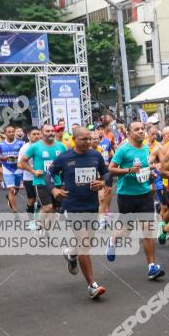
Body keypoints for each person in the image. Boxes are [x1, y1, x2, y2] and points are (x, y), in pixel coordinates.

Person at [47, 127, 109, 299]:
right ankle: (91, 285)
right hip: (72, 205)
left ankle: (71, 254)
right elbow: (48, 173)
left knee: (87, 244)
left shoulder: (96, 156)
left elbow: (106, 173)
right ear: (74, 139)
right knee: (84, 244)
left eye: (90, 139)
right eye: (84, 139)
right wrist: (53, 190)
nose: (88, 142)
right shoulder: (65, 157)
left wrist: (102, 182)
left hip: (91, 205)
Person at [108, 121, 164, 280]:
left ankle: (152, 267)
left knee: (148, 231)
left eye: (142, 129)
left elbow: (144, 169)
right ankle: (112, 241)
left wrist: (150, 175)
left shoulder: (146, 148)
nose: (141, 131)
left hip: (145, 194)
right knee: (127, 229)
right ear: (128, 133)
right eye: (136, 129)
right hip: (126, 195)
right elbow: (111, 170)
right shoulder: (123, 150)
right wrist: (128, 170)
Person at [19, 125, 66, 218]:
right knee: (47, 207)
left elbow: (66, 161)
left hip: (57, 181)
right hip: (41, 181)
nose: (50, 133)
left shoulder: (61, 146)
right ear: (42, 133)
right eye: (47, 131)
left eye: (52, 131)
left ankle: (45, 230)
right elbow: (22, 161)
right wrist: (33, 171)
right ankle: (39, 227)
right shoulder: (35, 146)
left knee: (54, 209)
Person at [0, 125, 25, 212]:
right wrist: (5, 158)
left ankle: (9, 197)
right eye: (9, 132)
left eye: (13, 131)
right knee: (11, 190)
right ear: (5, 133)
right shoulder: (0, 145)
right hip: (7, 168)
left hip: (18, 168)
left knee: (16, 189)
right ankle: (15, 211)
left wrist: (18, 157)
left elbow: (25, 155)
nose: (11, 133)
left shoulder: (21, 143)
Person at [18, 128, 41, 226]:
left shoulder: (43, 146)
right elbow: (19, 165)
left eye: (38, 134)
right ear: (28, 136)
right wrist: (32, 169)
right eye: (34, 134)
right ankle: (31, 221)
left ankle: (40, 222)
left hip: (42, 178)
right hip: (29, 178)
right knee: (31, 200)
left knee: (42, 200)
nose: (36, 136)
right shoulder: (24, 148)